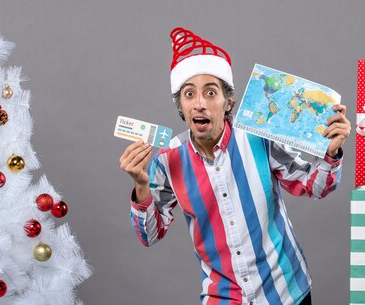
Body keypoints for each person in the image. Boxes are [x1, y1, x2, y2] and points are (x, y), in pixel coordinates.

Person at [119, 28, 351, 305]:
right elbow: (150, 235)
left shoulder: (259, 137)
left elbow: (316, 186)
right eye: (189, 94)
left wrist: (332, 150)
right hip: (223, 298)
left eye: (211, 92)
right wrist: (141, 185)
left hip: (286, 292)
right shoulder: (167, 160)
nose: (200, 104)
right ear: (181, 106)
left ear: (228, 101)